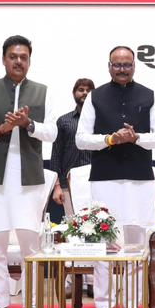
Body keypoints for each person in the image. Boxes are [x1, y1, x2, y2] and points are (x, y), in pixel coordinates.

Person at [75, 45, 155, 308]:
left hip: (139, 179)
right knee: (105, 243)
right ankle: (103, 306)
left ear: (134, 66)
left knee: (136, 243)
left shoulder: (149, 95)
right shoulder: (95, 96)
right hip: (105, 178)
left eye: (127, 64)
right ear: (109, 67)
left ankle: (131, 306)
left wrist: (137, 138)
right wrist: (110, 139)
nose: (122, 69)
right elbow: (81, 139)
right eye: (117, 64)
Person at [0, 35, 57, 308]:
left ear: (30, 61)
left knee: (31, 247)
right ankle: (0, 305)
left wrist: (29, 124)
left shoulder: (43, 92)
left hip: (28, 179)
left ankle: (32, 303)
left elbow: (52, 132)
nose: (18, 61)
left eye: (23, 57)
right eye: (13, 56)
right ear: (4, 59)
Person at [49, 78, 96, 216]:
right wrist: (57, 185)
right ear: (74, 93)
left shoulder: (101, 120)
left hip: (96, 181)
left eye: (89, 90)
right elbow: (56, 154)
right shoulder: (64, 121)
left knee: (99, 222)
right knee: (72, 224)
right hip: (68, 183)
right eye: (81, 90)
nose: (85, 93)